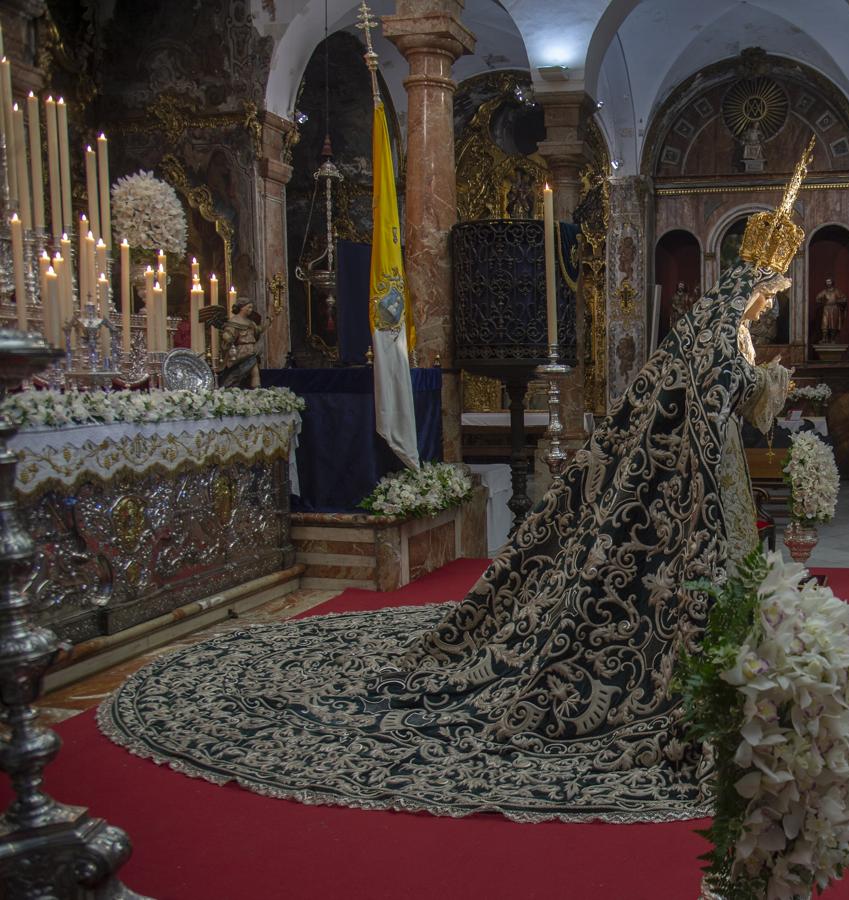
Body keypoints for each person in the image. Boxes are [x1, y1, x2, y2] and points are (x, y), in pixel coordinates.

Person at [100, 151, 811, 825]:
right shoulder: (722, 329)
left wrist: (755, 385)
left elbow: (708, 400)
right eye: (771, 293)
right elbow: (716, 395)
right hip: (675, 503)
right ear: (757, 282)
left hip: (685, 488)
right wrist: (764, 384)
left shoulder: (716, 324)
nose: (768, 306)